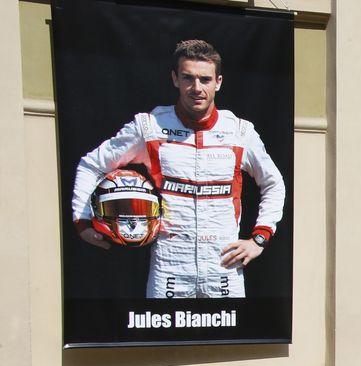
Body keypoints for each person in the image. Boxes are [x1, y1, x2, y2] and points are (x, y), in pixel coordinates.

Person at [71, 40, 285, 298]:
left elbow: (273, 182)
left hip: (224, 264)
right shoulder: (149, 127)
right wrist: (82, 222)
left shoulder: (240, 132)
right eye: (188, 78)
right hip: (170, 265)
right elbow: (91, 165)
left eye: (205, 80)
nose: (197, 88)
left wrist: (259, 239)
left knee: (229, 339)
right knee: (165, 339)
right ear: (175, 79)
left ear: (218, 82)